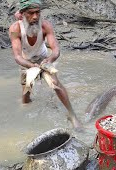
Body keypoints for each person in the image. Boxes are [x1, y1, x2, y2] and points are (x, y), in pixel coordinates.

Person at [9, 0, 82, 130]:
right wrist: (31, 66)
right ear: (22, 14)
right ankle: (25, 104)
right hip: (26, 61)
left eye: (37, 12)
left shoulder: (45, 25)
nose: (35, 17)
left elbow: (55, 50)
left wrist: (50, 59)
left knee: (56, 84)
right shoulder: (15, 29)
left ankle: (72, 116)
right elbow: (17, 56)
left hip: (44, 58)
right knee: (27, 92)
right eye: (31, 13)